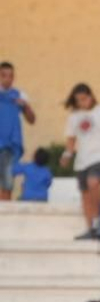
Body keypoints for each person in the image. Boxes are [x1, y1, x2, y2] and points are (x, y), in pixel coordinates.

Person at [61, 83, 100, 240]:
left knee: (93, 182)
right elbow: (71, 139)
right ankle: (92, 229)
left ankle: (98, 222)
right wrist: (67, 154)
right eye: (78, 100)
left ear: (91, 96)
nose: (82, 103)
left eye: (84, 99)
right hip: (83, 159)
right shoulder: (73, 117)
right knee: (85, 194)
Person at [0, 62, 37, 202]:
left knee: (7, 183)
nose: (7, 79)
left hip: (10, 145)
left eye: (10, 76)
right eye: (3, 75)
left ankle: (3, 219)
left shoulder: (19, 95)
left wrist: (26, 106)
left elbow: (32, 120)